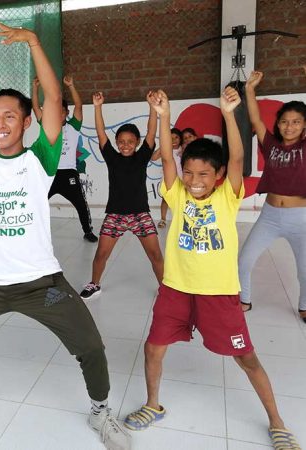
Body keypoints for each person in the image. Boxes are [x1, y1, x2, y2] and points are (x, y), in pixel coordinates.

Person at [0, 18, 131, 450]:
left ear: (25, 122)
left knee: (90, 346)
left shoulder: (42, 156)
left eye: (10, 117)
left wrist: (35, 43)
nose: (0, 124)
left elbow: (54, 98)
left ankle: (100, 412)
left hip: (43, 286)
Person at [124, 88, 301, 450]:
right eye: (190, 173)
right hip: (175, 288)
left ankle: (277, 422)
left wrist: (230, 113)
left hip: (219, 293)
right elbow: (169, 163)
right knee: (154, 348)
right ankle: (152, 404)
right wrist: (163, 113)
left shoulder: (226, 195)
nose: (195, 180)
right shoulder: (176, 193)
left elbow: (237, 158)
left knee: (246, 357)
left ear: (218, 175)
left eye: (203, 174)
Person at [79, 91, 163, 300]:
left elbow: (151, 133)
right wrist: (97, 107)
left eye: (130, 141)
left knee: (155, 255)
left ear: (137, 142)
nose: (126, 145)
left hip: (140, 215)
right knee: (101, 255)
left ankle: (166, 289)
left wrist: (152, 107)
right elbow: (100, 134)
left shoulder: (143, 156)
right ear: (116, 142)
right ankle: (95, 284)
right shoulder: (112, 158)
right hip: (115, 215)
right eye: (122, 141)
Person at [238, 70, 306, 322]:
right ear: (278, 124)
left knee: (305, 271)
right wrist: (250, 89)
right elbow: (255, 120)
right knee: (244, 260)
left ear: (304, 125)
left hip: (301, 218)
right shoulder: (272, 145)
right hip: (270, 216)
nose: (289, 126)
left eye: (296, 121)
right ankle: (243, 299)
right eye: (284, 121)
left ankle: (304, 306)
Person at [32, 75, 97, 242]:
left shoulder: (73, 127)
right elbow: (35, 108)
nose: (55, 115)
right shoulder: (46, 126)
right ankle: (31, 231)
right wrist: (35, 88)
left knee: (81, 205)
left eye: (60, 112)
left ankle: (87, 231)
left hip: (68, 174)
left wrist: (71, 86)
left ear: (66, 113)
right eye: (51, 112)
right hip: (49, 173)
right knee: (36, 203)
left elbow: (79, 106)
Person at [151, 127, 184, 228]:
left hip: (182, 180)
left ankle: (181, 220)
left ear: (180, 139)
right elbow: (153, 158)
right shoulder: (166, 150)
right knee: (165, 199)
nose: (173, 140)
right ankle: (163, 219)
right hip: (168, 180)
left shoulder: (183, 149)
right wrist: (163, 145)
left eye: (176, 137)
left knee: (182, 200)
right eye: (170, 138)